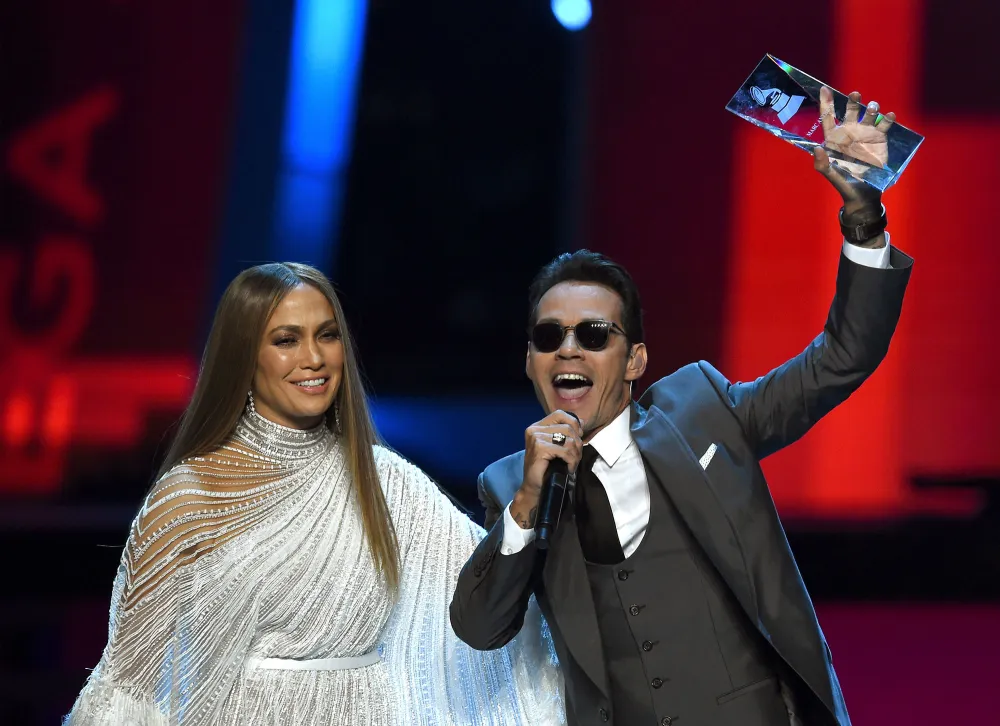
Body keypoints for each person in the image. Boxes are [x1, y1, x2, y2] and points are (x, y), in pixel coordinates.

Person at [450, 86, 912, 726]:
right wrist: (528, 505)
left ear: (636, 361)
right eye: (548, 337)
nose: (569, 351)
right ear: (529, 361)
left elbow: (843, 357)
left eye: (593, 334)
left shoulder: (703, 410)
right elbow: (478, 628)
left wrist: (865, 217)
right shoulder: (510, 486)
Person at [64, 262, 564, 725]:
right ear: (245, 357)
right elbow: (127, 687)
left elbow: (489, 606)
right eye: (286, 339)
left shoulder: (387, 483)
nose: (313, 357)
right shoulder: (189, 497)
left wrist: (527, 503)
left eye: (326, 335)